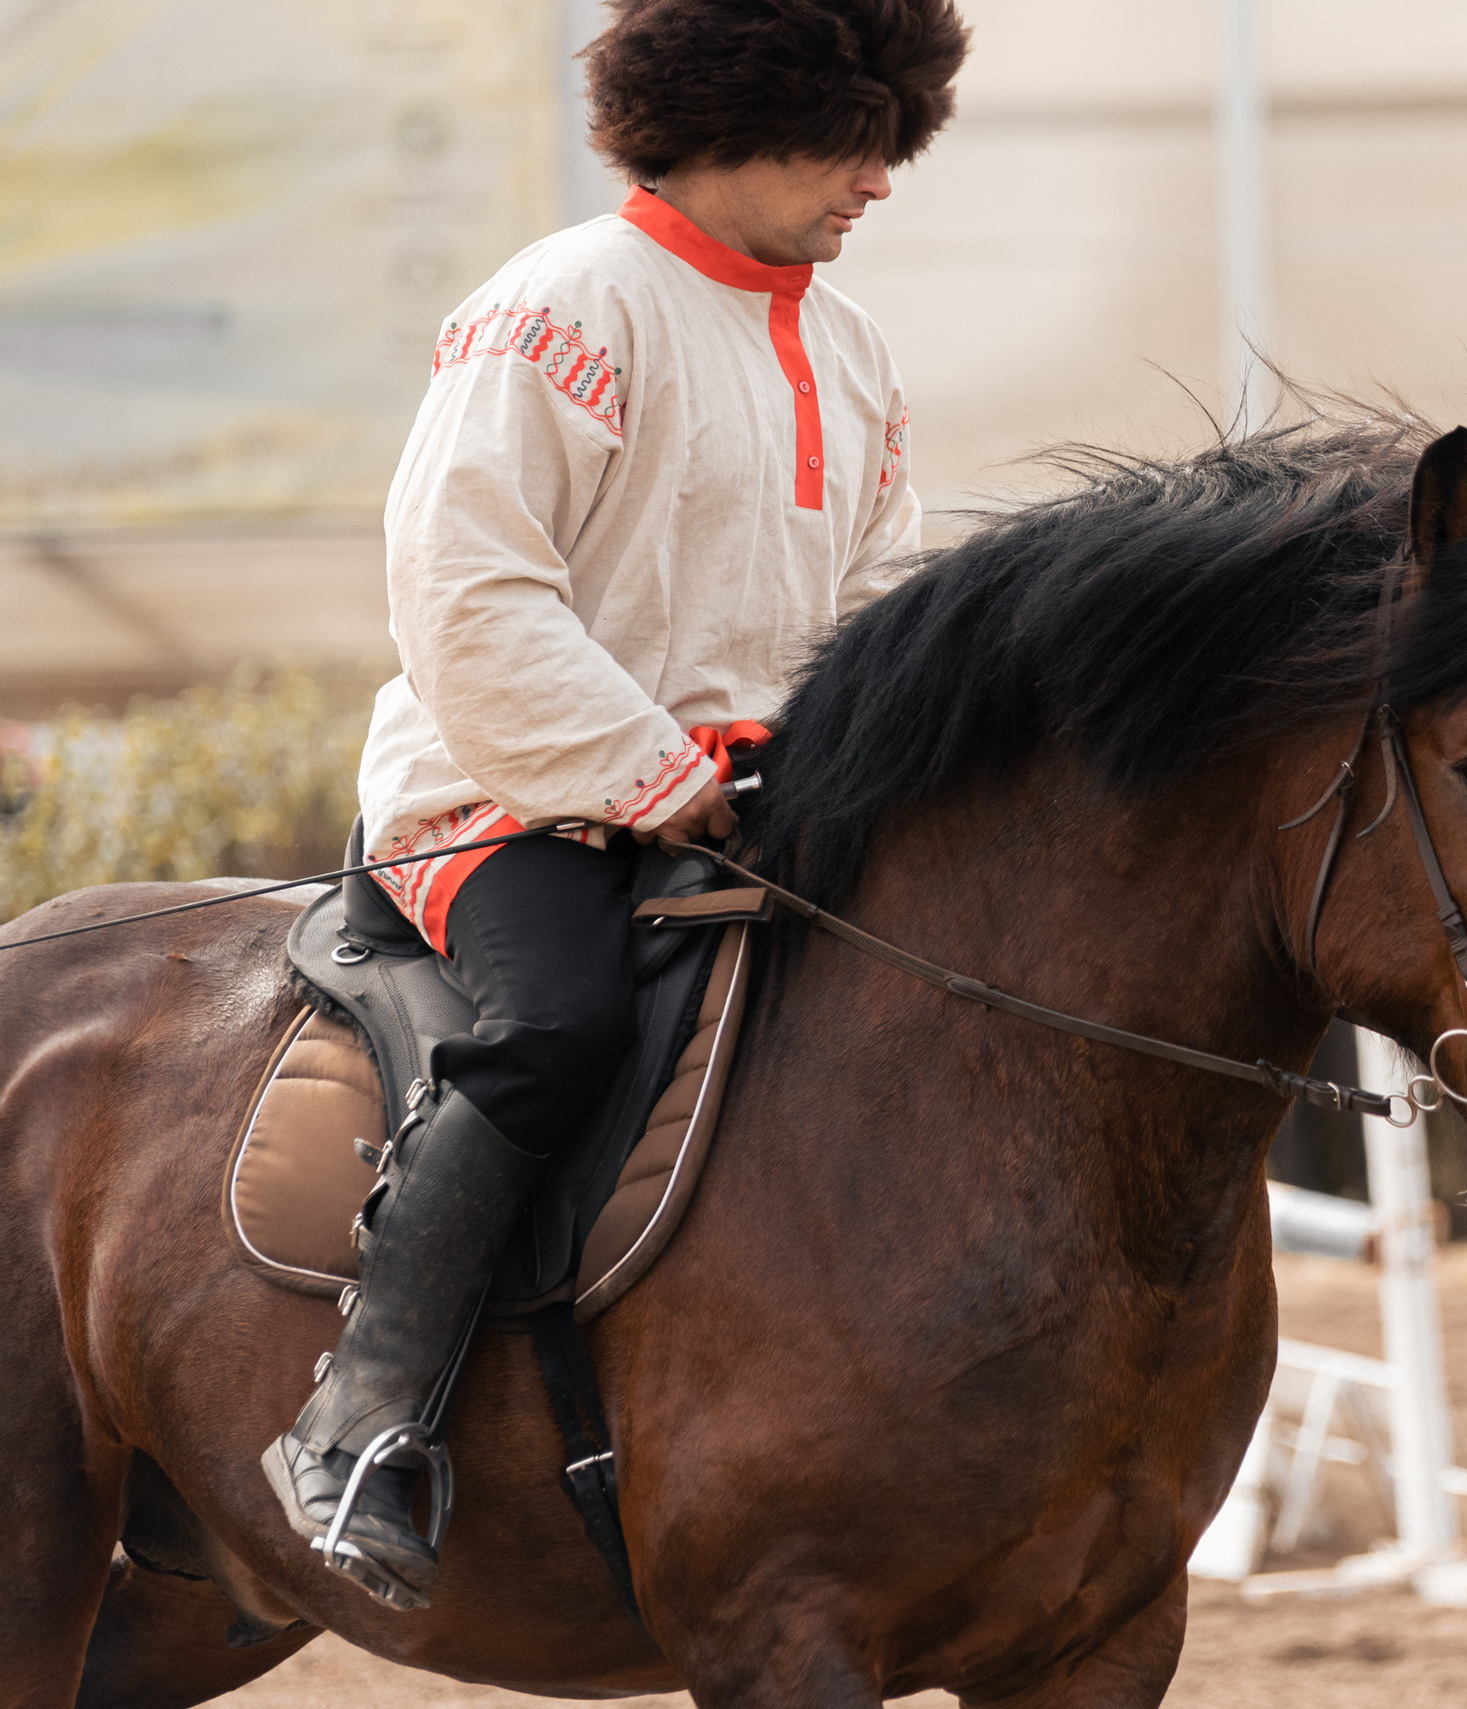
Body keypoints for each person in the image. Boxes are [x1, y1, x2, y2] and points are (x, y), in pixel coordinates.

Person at [262, 0, 969, 1610]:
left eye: (891, 141)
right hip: (512, 801)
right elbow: (468, 590)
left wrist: (853, 759)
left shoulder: (849, 349)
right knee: (563, 1024)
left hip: (757, 799)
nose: (878, 181)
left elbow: (884, 600)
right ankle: (358, 1421)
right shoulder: (557, 306)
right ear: (735, 108)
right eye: (849, 141)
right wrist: (654, 774)